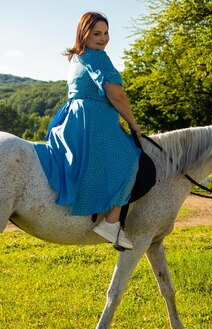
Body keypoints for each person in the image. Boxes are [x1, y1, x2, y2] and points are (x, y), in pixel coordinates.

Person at [34, 11, 142, 250]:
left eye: (106, 33)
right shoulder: (98, 57)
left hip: (75, 118)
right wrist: (133, 123)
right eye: (96, 34)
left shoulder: (77, 58)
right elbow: (117, 95)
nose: (103, 39)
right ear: (84, 33)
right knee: (130, 157)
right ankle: (112, 221)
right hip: (92, 120)